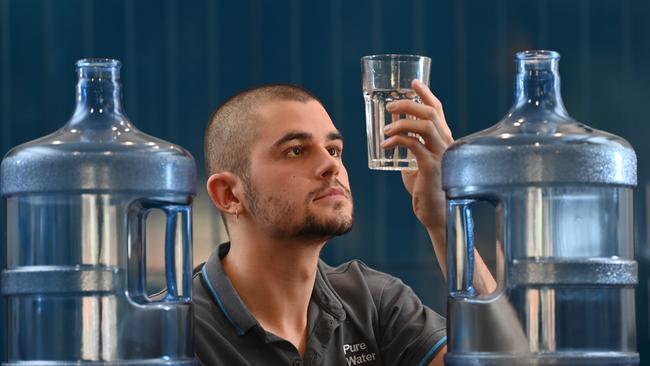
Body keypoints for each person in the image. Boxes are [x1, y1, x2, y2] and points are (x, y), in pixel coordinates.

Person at [195, 80, 495, 365]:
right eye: (296, 150)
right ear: (229, 194)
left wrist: (445, 220)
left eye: (334, 149)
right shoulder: (170, 328)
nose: (331, 165)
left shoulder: (373, 302)